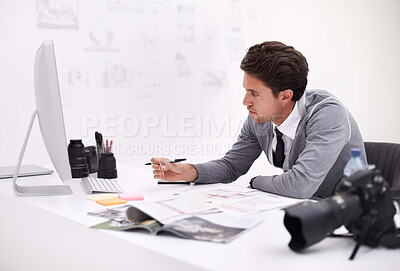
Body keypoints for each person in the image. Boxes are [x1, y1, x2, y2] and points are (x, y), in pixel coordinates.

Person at [151, 41, 366, 199]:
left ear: (285, 96)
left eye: (254, 94)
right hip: (303, 207)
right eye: (246, 91)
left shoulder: (327, 114)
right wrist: (190, 171)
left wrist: (255, 182)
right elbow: (231, 165)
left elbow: (300, 185)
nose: (245, 101)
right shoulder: (260, 119)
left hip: (347, 217)